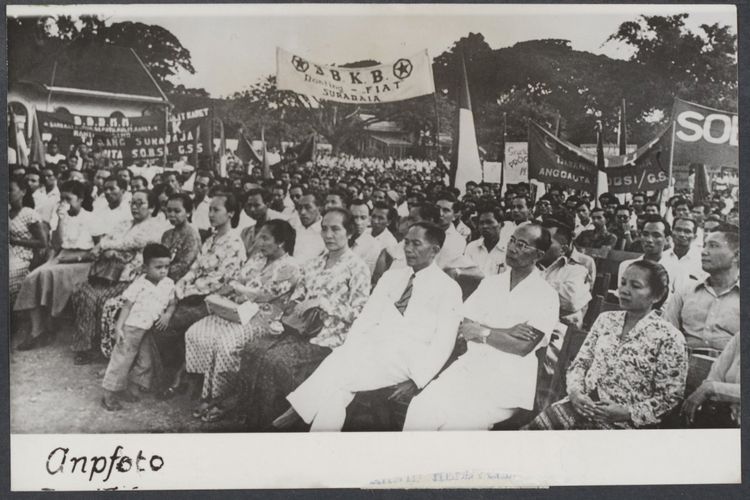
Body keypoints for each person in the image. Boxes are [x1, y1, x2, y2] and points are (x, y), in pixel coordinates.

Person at [274, 222, 463, 432]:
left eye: (416, 244)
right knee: (338, 387)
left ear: (434, 250)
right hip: (374, 348)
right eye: (406, 242)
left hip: (408, 357)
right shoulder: (392, 277)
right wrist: (352, 347)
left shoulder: (448, 289)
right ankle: (319, 438)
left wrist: (418, 379)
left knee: (338, 371)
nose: (408, 249)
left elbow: (443, 342)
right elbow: (366, 319)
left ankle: (295, 413)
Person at [402, 223, 559, 430]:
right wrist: (505, 332)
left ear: (538, 255)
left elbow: (522, 347)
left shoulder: (546, 295)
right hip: (468, 369)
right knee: (421, 408)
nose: (512, 248)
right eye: (511, 241)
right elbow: (466, 328)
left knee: (457, 424)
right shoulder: (491, 284)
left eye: (522, 245)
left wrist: (482, 331)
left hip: (507, 382)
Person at [235, 208, 371, 430]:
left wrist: (323, 304)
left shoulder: (358, 268)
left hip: (329, 338)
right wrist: (285, 316)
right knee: (253, 349)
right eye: (324, 228)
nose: (328, 235)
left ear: (349, 233)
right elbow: (296, 298)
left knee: (277, 362)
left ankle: (275, 425)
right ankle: (249, 419)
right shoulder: (314, 264)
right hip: (298, 330)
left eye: (336, 229)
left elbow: (359, 313)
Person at [525, 260, 688, 430]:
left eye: (635, 286)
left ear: (657, 296)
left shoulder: (669, 337)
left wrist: (628, 413)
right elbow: (580, 364)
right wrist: (575, 393)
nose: (624, 290)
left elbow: (670, 398)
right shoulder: (606, 320)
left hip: (625, 423)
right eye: (623, 283)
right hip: (580, 407)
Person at [186, 220, 302, 422]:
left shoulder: (290, 267)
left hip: (263, 318)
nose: (259, 242)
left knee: (225, 345)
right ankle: (209, 393)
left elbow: (265, 295)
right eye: (259, 236)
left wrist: (239, 290)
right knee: (197, 333)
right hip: (237, 311)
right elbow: (238, 280)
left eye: (265, 238)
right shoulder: (257, 258)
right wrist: (235, 290)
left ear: (281, 242)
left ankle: (222, 399)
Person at [155, 192, 247, 397]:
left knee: (168, 325)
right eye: (210, 210)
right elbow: (194, 269)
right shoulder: (210, 240)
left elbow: (224, 281)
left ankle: (180, 377)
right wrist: (179, 289)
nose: (211, 214)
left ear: (230, 213)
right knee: (156, 314)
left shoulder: (234, 243)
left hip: (211, 300)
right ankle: (174, 373)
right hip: (191, 293)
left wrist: (191, 292)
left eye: (216, 210)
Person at [69, 190, 165, 365]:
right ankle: (85, 346)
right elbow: (110, 237)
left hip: (130, 277)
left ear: (151, 206)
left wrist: (106, 247)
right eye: (132, 203)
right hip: (108, 274)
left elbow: (132, 243)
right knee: (83, 291)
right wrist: (107, 248)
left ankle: (102, 347)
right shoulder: (124, 223)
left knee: (98, 298)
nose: (134, 207)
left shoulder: (154, 227)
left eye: (140, 203)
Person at [14, 181, 97, 350]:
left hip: (82, 261)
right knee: (32, 277)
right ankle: (37, 330)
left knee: (51, 275)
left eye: (69, 198)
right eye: (62, 199)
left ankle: (50, 324)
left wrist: (77, 258)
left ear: (80, 199)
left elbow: (97, 248)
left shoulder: (90, 217)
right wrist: (60, 220)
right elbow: (57, 243)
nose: (64, 203)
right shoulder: (62, 217)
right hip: (62, 256)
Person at [101, 244, 177, 411]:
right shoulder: (139, 284)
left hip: (148, 329)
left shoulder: (169, 284)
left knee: (146, 361)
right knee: (122, 359)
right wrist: (119, 327)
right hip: (131, 327)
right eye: (158, 267)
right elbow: (126, 307)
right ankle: (109, 393)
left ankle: (131, 387)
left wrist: (167, 315)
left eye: (166, 266)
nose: (163, 271)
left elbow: (172, 303)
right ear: (145, 267)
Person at [663, 224, 739, 352]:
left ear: (737, 255)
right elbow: (666, 334)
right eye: (704, 245)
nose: (704, 252)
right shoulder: (686, 291)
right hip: (683, 363)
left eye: (714, 246)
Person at [538, 219, 592, 327]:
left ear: (563, 249)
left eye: (547, 241)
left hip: (559, 331)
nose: (539, 245)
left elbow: (570, 301)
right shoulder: (526, 266)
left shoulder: (577, 271)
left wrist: (531, 284)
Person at [681, 334, 740, 428]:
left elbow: (710, 387)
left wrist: (712, 388)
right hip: (727, 417)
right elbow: (715, 375)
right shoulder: (740, 337)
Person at [9, 176, 49, 306]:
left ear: (23, 191)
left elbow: (43, 242)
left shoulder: (28, 214)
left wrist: (16, 241)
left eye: (10, 190)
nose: (6, 193)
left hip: (22, 256)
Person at [616, 215, 678, 291]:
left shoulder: (675, 270)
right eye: (645, 234)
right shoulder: (626, 266)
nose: (649, 240)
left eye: (656, 235)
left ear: (667, 240)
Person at [463, 203, 507, 277]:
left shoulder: (508, 250)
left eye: (489, 222)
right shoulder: (471, 247)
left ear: (501, 224)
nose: (484, 226)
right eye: (481, 223)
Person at [348, 199, 383, 274]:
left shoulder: (373, 246)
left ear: (369, 220)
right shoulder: (340, 238)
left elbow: (363, 275)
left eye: (363, 218)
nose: (358, 222)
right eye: (354, 217)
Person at [289, 191, 325, 263]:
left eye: (308, 207)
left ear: (320, 208)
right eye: (299, 208)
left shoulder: (326, 232)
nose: (302, 212)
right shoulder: (292, 227)